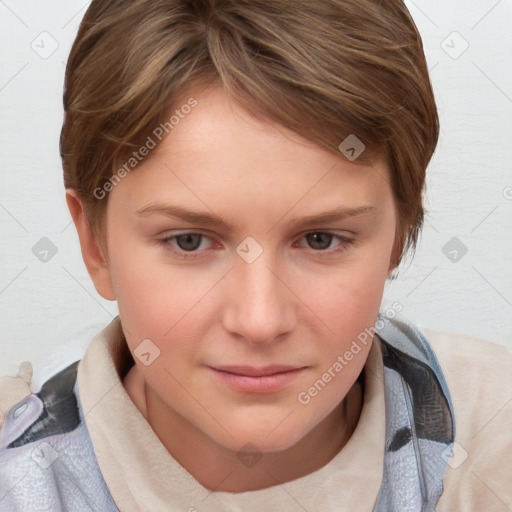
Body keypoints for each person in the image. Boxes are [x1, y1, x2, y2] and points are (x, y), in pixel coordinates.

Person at [1, 0, 511, 510]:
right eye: (189, 241)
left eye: (321, 239)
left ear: (397, 235)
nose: (260, 321)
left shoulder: (491, 433)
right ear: (96, 245)